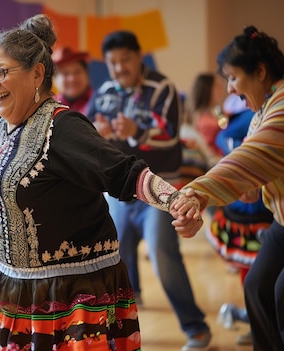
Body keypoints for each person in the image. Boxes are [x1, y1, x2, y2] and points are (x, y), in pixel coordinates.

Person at [0, 14, 201, 351]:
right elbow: (15, 200)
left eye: (2, 72)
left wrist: (178, 202)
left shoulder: (62, 127)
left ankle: (195, 328)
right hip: (15, 285)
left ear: (37, 73)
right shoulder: (3, 128)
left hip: (70, 295)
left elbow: (123, 172)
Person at [86, 30, 211, 350]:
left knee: (162, 255)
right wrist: (97, 132)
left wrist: (136, 131)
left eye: (125, 60)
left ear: (139, 56)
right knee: (115, 253)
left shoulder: (163, 87)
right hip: (119, 189)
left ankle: (196, 328)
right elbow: (89, 132)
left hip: (161, 189)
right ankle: (131, 304)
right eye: (112, 63)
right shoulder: (104, 91)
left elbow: (170, 137)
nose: (118, 68)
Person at [174, 25, 284, 351]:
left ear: (260, 71)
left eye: (233, 77)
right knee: (258, 285)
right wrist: (251, 187)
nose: (229, 89)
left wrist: (197, 192)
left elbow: (255, 155)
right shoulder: (264, 107)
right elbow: (260, 165)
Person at [208, 93, 273, 346]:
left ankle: (261, 324)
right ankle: (259, 323)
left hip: (252, 208)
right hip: (252, 208)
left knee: (257, 274)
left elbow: (222, 143)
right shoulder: (248, 117)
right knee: (258, 273)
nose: (230, 85)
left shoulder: (250, 118)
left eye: (233, 78)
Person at [188, 72, 226, 158]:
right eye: (217, 86)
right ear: (207, 89)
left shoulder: (216, 110)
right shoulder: (202, 119)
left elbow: (224, 123)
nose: (221, 89)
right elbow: (208, 150)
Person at [51, 46, 93, 115]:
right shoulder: (49, 108)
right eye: (65, 74)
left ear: (87, 74)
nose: (72, 79)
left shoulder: (100, 103)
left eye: (77, 72)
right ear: (55, 80)